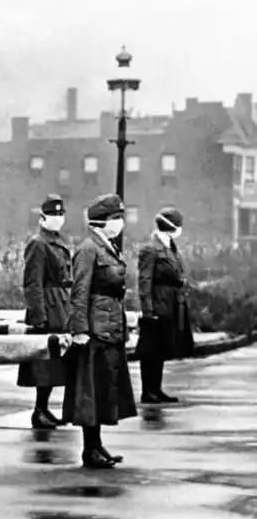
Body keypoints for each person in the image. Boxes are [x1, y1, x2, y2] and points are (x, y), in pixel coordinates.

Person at [63, 194, 137, 469]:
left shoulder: (106, 246)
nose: (119, 223)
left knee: (103, 389)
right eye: (115, 218)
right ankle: (89, 449)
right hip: (94, 329)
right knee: (91, 391)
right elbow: (79, 291)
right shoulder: (88, 249)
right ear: (101, 221)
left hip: (109, 327)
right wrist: (80, 329)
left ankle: (96, 445)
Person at [18, 194, 73, 428]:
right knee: (44, 364)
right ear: (42, 218)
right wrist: (38, 315)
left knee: (54, 364)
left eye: (60, 214)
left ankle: (44, 409)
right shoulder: (38, 243)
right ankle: (39, 410)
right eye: (52, 214)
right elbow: (33, 282)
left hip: (61, 305)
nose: (57, 219)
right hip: (48, 307)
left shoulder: (57, 242)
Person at [136, 207, 194, 403]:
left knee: (161, 349)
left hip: (171, 303)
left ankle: (156, 388)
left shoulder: (170, 246)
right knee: (151, 350)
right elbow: (144, 282)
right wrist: (148, 311)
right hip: (157, 302)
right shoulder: (150, 249)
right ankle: (148, 391)